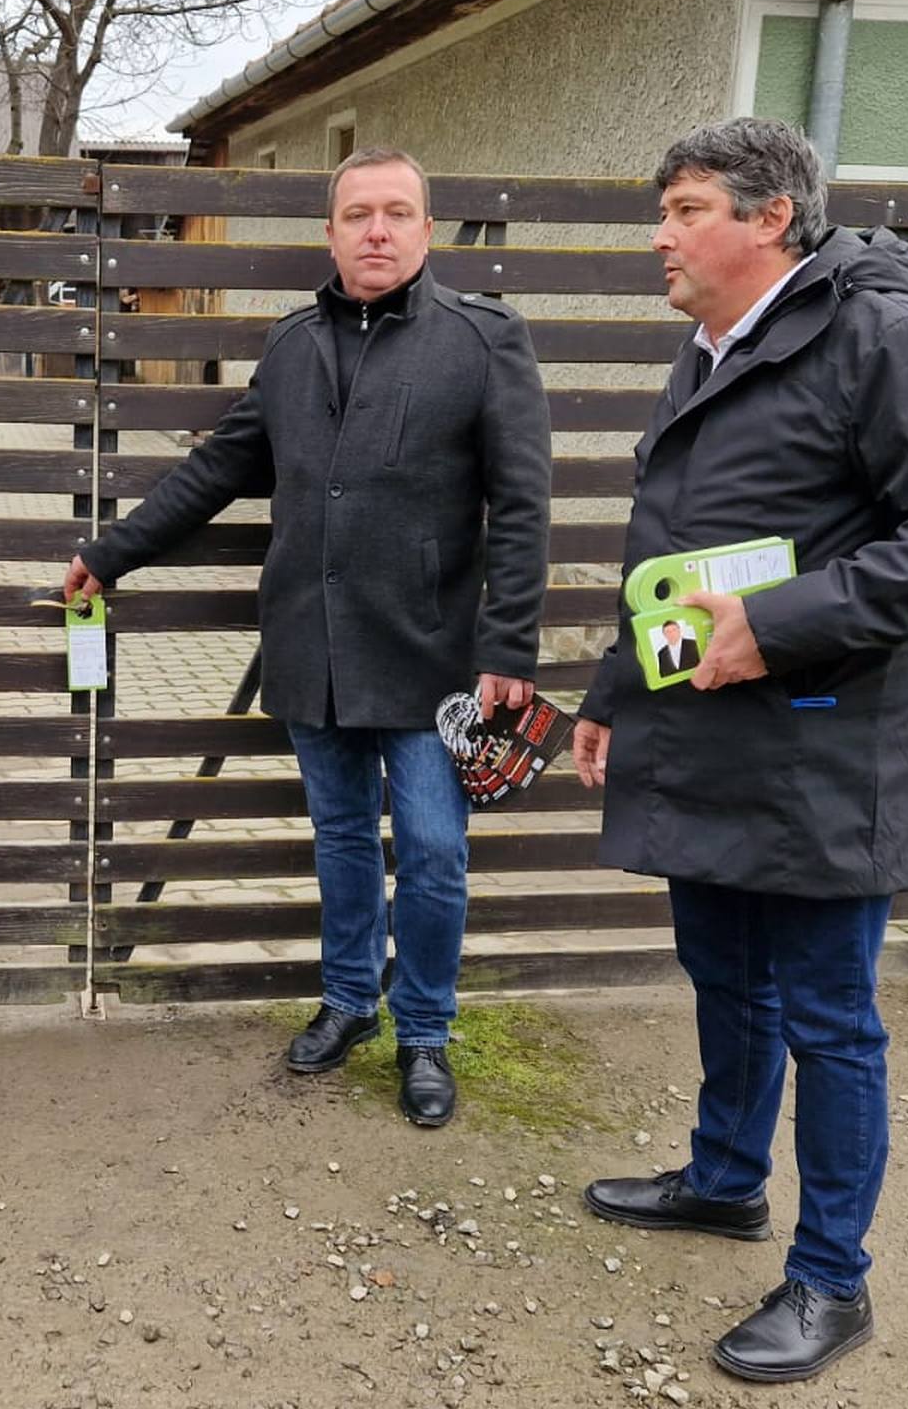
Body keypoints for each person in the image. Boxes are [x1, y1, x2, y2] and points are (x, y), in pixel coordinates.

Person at [571, 117, 908, 1381]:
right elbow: (672, 553)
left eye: (684, 209)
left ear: (769, 218)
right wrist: (615, 687)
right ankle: (725, 1179)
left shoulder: (878, 333)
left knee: (829, 1017)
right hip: (711, 735)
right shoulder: (713, 347)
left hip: (828, 750)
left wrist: (778, 627)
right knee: (724, 974)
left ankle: (834, 1278)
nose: (660, 235)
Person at [62, 147, 552, 1127]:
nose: (378, 229)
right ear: (330, 232)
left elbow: (525, 504)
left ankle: (424, 1030)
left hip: (431, 656)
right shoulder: (291, 348)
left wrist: (509, 650)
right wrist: (111, 554)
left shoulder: (484, 338)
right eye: (359, 213)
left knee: (432, 850)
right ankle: (345, 1001)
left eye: (399, 212)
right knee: (338, 839)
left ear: (426, 227)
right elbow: (215, 472)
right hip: (312, 646)